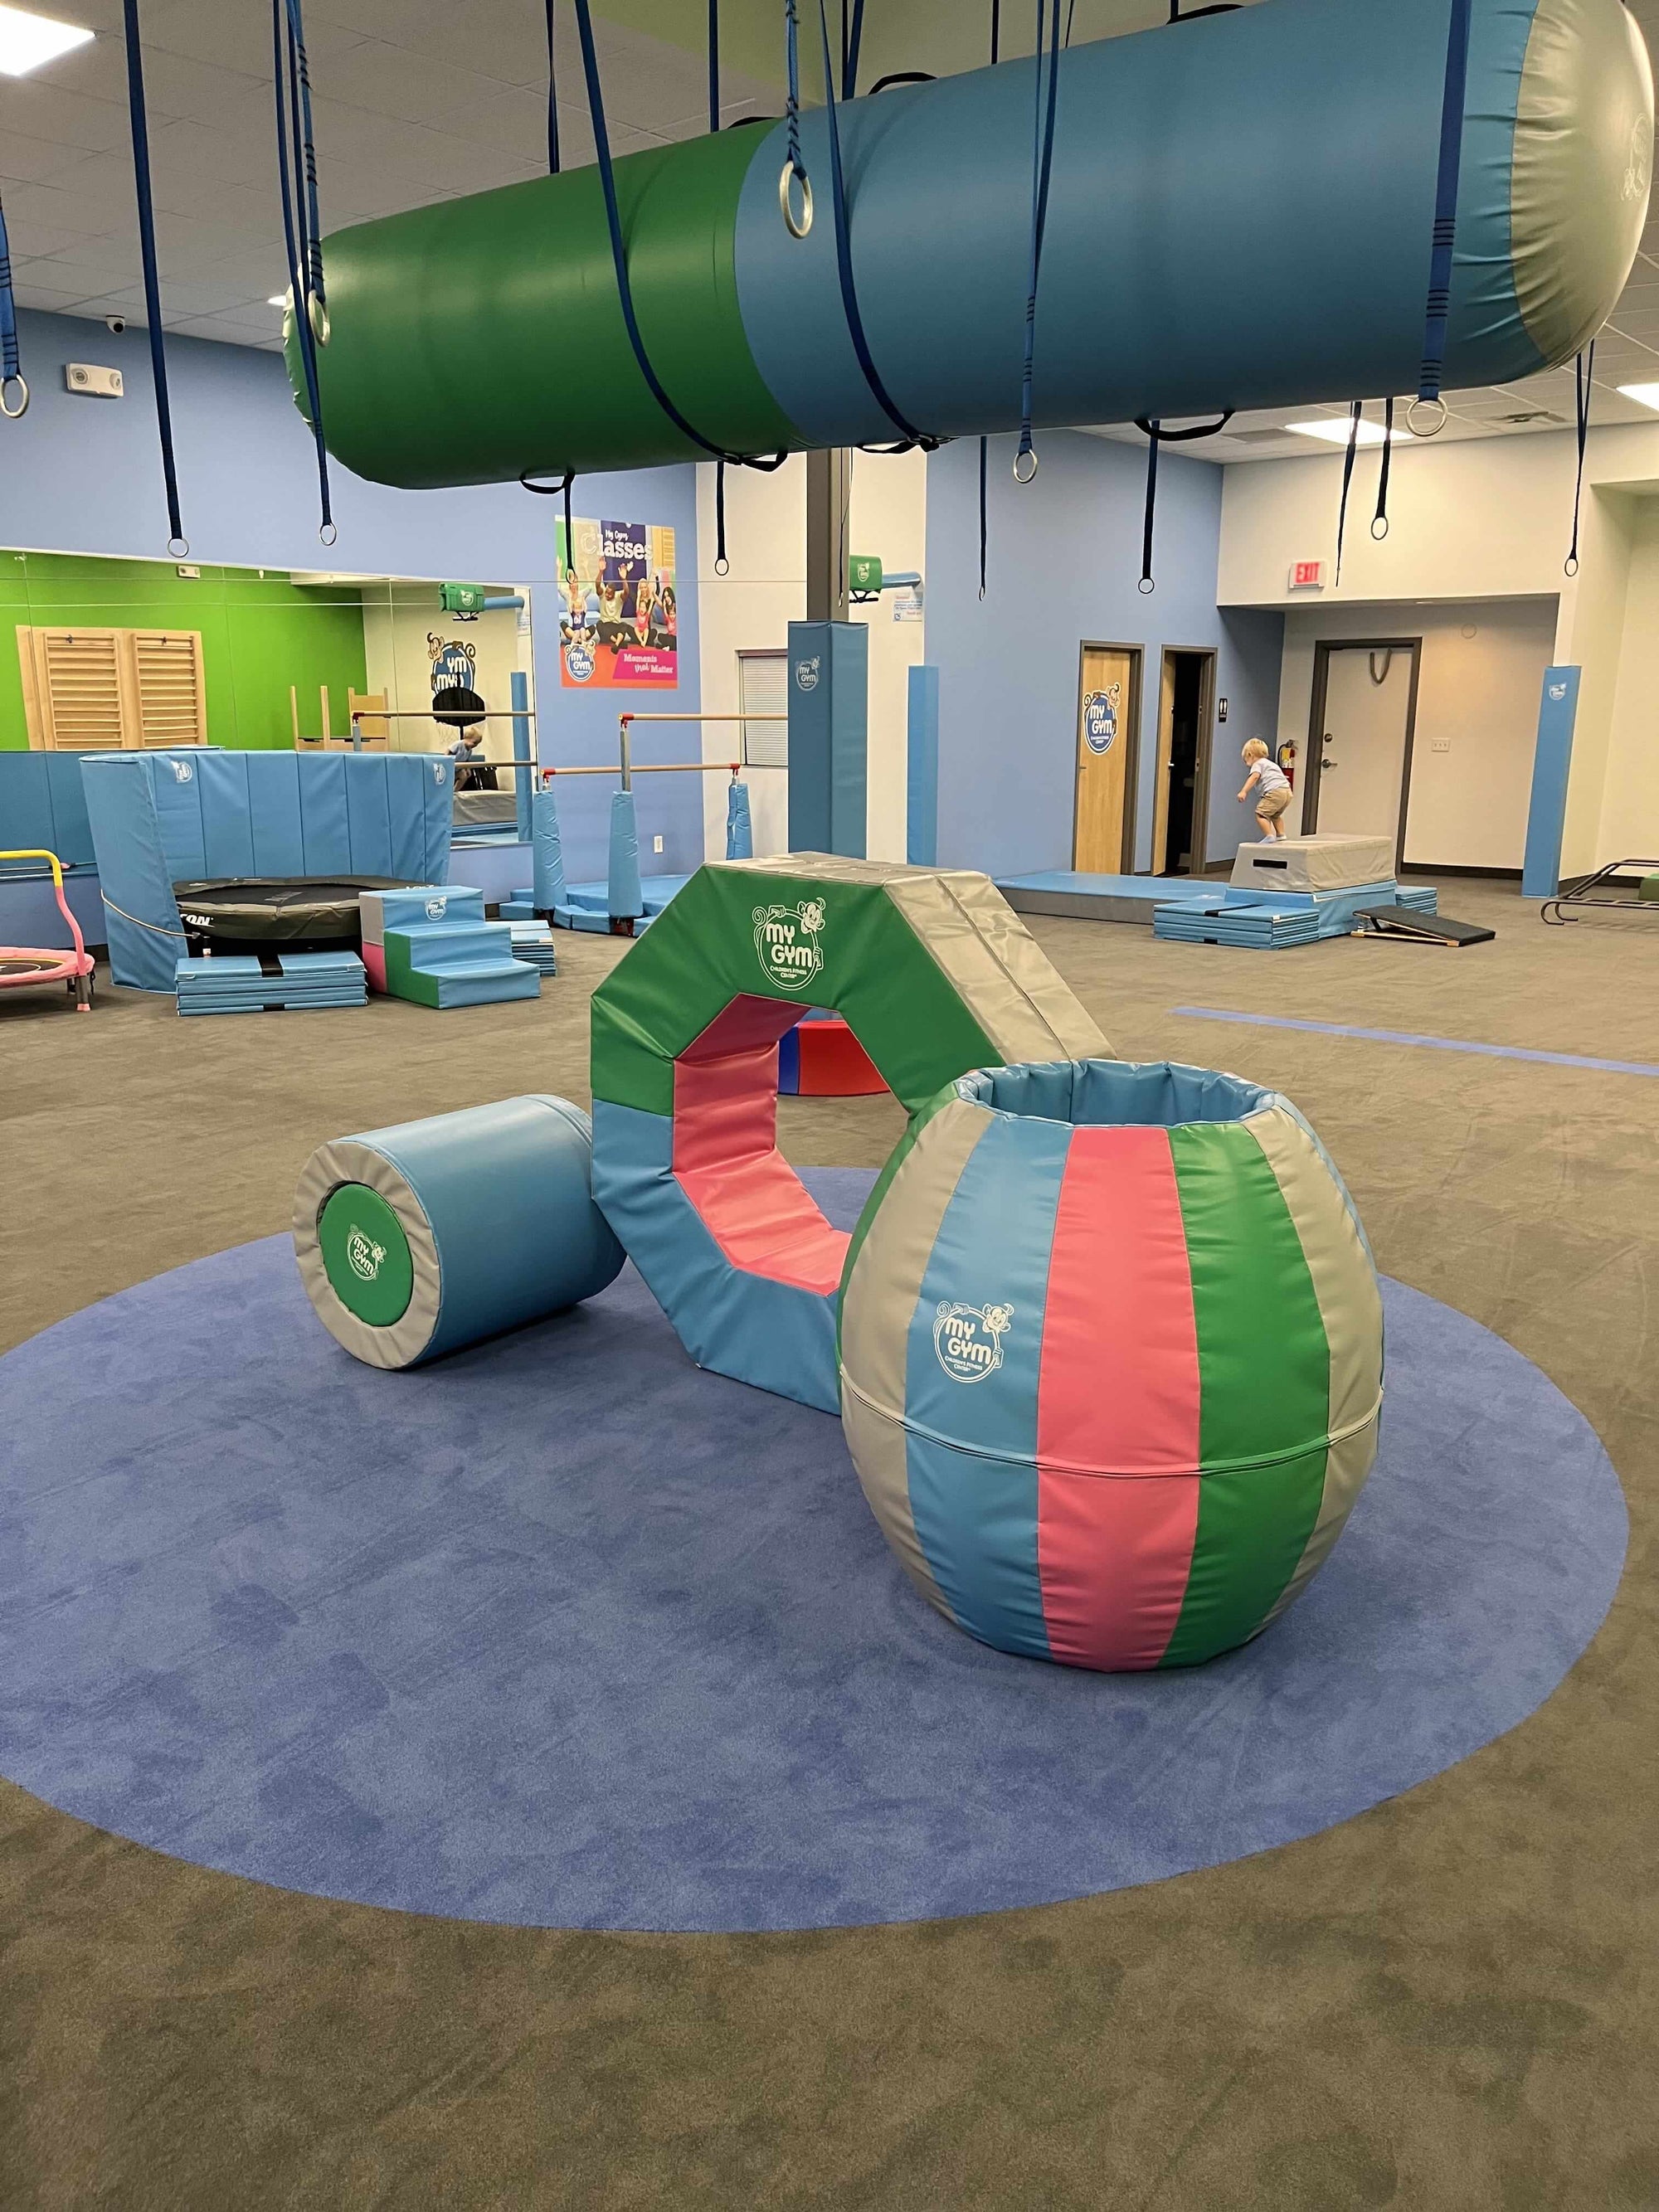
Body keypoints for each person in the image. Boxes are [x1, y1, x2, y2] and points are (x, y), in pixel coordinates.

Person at [1238, 738, 1292, 840]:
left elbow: (1254, 777)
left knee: (1260, 813)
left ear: (1250, 755)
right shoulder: (1271, 764)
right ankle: (1281, 835)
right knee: (1275, 815)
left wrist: (1244, 791)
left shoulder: (1258, 764)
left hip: (1275, 791)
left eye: (1245, 759)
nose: (1246, 763)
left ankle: (1269, 836)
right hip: (1287, 792)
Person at [450, 724, 495, 791]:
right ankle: (447, 790)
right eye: (474, 742)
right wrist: (446, 763)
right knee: (449, 779)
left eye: (477, 744)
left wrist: (467, 768)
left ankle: (455, 790)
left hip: (457, 769)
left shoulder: (469, 751)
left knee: (464, 775)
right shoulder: (458, 744)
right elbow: (448, 751)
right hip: (450, 768)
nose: (476, 745)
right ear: (467, 738)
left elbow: (466, 761)